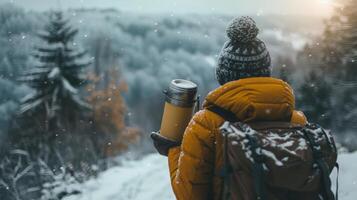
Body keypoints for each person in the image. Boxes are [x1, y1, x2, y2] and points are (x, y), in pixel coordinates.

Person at [152, 16, 308, 200]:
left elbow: (188, 195)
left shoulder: (206, 124)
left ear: (224, 74)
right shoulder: (296, 121)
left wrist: (173, 148)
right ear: (265, 71)